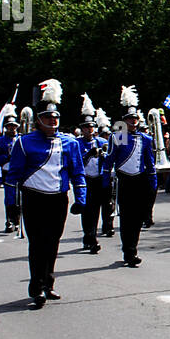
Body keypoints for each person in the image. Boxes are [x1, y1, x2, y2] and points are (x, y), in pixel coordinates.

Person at [3, 79, 86, 307]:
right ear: (38, 120)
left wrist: (81, 199)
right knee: (37, 244)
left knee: (53, 243)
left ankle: (48, 283)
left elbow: (77, 173)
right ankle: (36, 286)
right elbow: (13, 177)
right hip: (34, 199)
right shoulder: (24, 142)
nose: (53, 121)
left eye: (56, 117)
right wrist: (11, 204)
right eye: (48, 118)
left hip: (58, 200)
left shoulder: (70, 143)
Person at [111, 87, 156, 267]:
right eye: (130, 119)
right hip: (124, 180)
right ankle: (127, 250)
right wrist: (107, 177)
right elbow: (112, 157)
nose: (133, 122)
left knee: (138, 217)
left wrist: (152, 181)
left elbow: (150, 161)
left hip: (140, 180)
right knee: (126, 217)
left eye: (135, 119)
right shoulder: (120, 136)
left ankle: (133, 249)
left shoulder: (145, 138)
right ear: (124, 121)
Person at [77, 97, 110, 253]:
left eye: (91, 127)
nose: (89, 130)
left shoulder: (101, 141)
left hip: (98, 179)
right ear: (82, 129)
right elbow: (76, 164)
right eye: (86, 127)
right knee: (87, 210)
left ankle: (91, 237)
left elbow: (110, 158)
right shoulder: (77, 143)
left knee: (96, 210)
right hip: (85, 180)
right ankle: (89, 237)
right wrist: (88, 155)